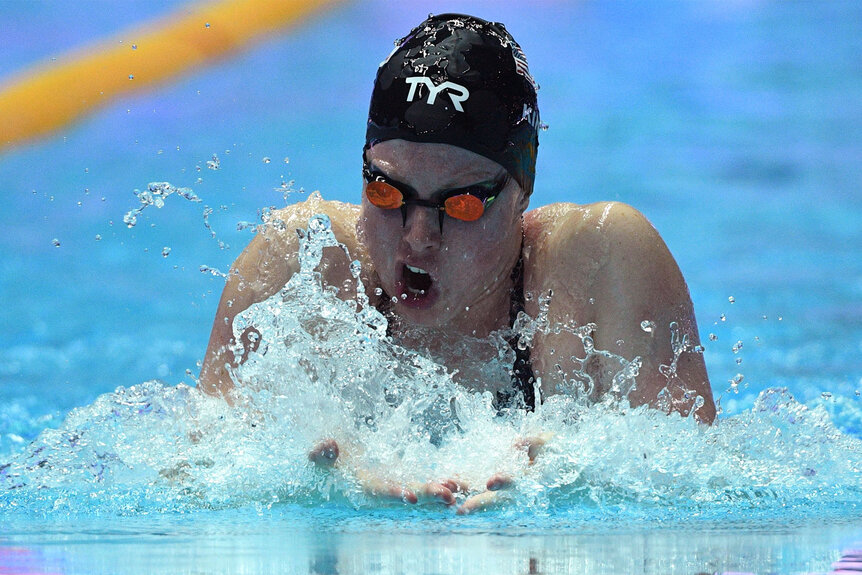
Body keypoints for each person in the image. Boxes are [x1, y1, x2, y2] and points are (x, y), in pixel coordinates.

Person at [199, 13, 716, 513]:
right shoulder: (305, 261)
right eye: (386, 193)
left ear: (521, 193)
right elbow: (192, 468)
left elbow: (699, 487)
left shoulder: (600, 261)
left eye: (461, 204)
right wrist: (320, 489)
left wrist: (575, 483)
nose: (418, 238)